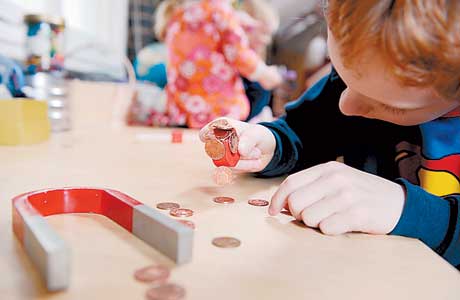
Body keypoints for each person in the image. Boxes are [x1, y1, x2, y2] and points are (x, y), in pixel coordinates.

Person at [199, 0, 460, 269]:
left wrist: (409, 210)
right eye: (342, 77)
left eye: (391, 106)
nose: (345, 106)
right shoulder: (364, 62)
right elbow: (307, 132)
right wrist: (273, 143)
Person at [155, 0, 282, 128]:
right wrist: (267, 73)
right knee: (261, 90)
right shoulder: (218, 9)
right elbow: (239, 53)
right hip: (217, 112)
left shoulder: (177, 15)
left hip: (181, 111)